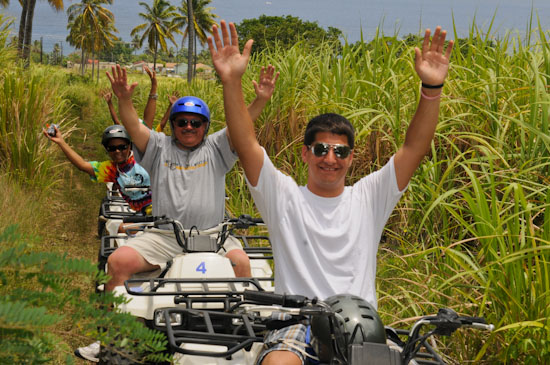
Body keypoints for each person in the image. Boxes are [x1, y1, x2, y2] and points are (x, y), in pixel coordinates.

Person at [208, 20, 453, 364]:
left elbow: (414, 148)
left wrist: (431, 88)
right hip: (297, 322)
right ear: (305, 153)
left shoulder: (369, 198)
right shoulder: (283, 197)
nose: (330, 159)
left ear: (352, 158)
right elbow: (246, 143)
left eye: (339, 151)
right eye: (320, 149)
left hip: (360, 326)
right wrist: (231, 81)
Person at [43, 124, 152, 219]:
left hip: (161, 207)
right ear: (107, 150)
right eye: (112, 148)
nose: (117, 151)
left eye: (122, 147)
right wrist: (61, 142)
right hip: (141, 215)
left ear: (130, 146)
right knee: (121, 230)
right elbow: (82, 165)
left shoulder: (144, 158)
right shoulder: (112, 170)